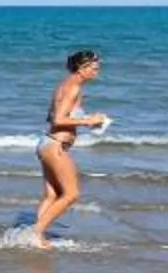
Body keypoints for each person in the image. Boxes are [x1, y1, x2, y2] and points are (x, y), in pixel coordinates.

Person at [29, 49, 109, 247]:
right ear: (81, 68)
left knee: (53, 195)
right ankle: (37, 233)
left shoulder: (64, 86)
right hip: (55, 146)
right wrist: (89, 120)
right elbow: (57, 119)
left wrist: (87, 120)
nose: (97, 72)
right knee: (72, 194)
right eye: (94, 68)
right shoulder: (73, 88)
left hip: (48, 143)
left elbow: (52, 117)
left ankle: (35, 236)